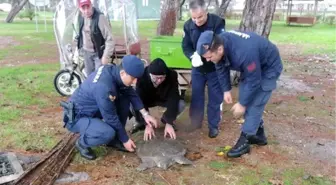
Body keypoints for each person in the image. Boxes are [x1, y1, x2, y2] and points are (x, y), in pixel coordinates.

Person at [196, 30, 283, 158]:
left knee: (255, 102)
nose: (208, 60)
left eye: (209, 57)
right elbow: (220, 66)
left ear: (219, 49)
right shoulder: (220, 43)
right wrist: (226, 89)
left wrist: (242, 104)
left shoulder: (243, 53)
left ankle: (245, 141)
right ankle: (259, 135)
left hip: (268, 67)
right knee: (246, 94)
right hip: (252, 66)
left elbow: (254, 81)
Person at [61, 55, 157, 160]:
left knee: (124, 98)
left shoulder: (113, 71)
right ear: (123, 73)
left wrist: (145, 115)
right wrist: (125, 139)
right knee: (107, 133)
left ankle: (114, 140)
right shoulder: (104, 87)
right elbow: (111, 118)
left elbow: (130, 92)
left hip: (94, 109)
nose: (135, 82)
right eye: (133, 79)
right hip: (77, 117)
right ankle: (82, 143)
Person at [182, 0, 225, 138]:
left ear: (206, 12)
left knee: (215, 97)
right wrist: (192, 56)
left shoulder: (217, 22)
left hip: (214, 67)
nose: (197, 21)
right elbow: (186, 45)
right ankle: (195, 122)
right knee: (196, 96)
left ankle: (213, 126)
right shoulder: (188, 26)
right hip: (198, 68)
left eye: (200, 17)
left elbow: (221, 43)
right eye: (194, 17)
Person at [130, 58, 185, 140]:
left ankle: (166, 120)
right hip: (147, 99)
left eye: (162, 78)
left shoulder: (172, 75)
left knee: (180, 104)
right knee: (133, 103)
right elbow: (139, 99)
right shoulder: (142, 75)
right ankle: (141, 122)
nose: (159, 80)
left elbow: (174, 97)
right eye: (156, 78)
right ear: (150, 74)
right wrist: (147, 124)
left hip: (163, 98)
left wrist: (169, 122)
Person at [77, 0, 115, 76]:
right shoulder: (80, 17)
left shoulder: (100, 17)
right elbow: (79, 34)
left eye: (88, 7)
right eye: (83, 8)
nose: (86, 11)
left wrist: (105, 56)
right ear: (80, 8)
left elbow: (110, 39)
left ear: (91, 5)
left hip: (99, 54)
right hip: (86, 53)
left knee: (98, 77)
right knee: (89, 78)